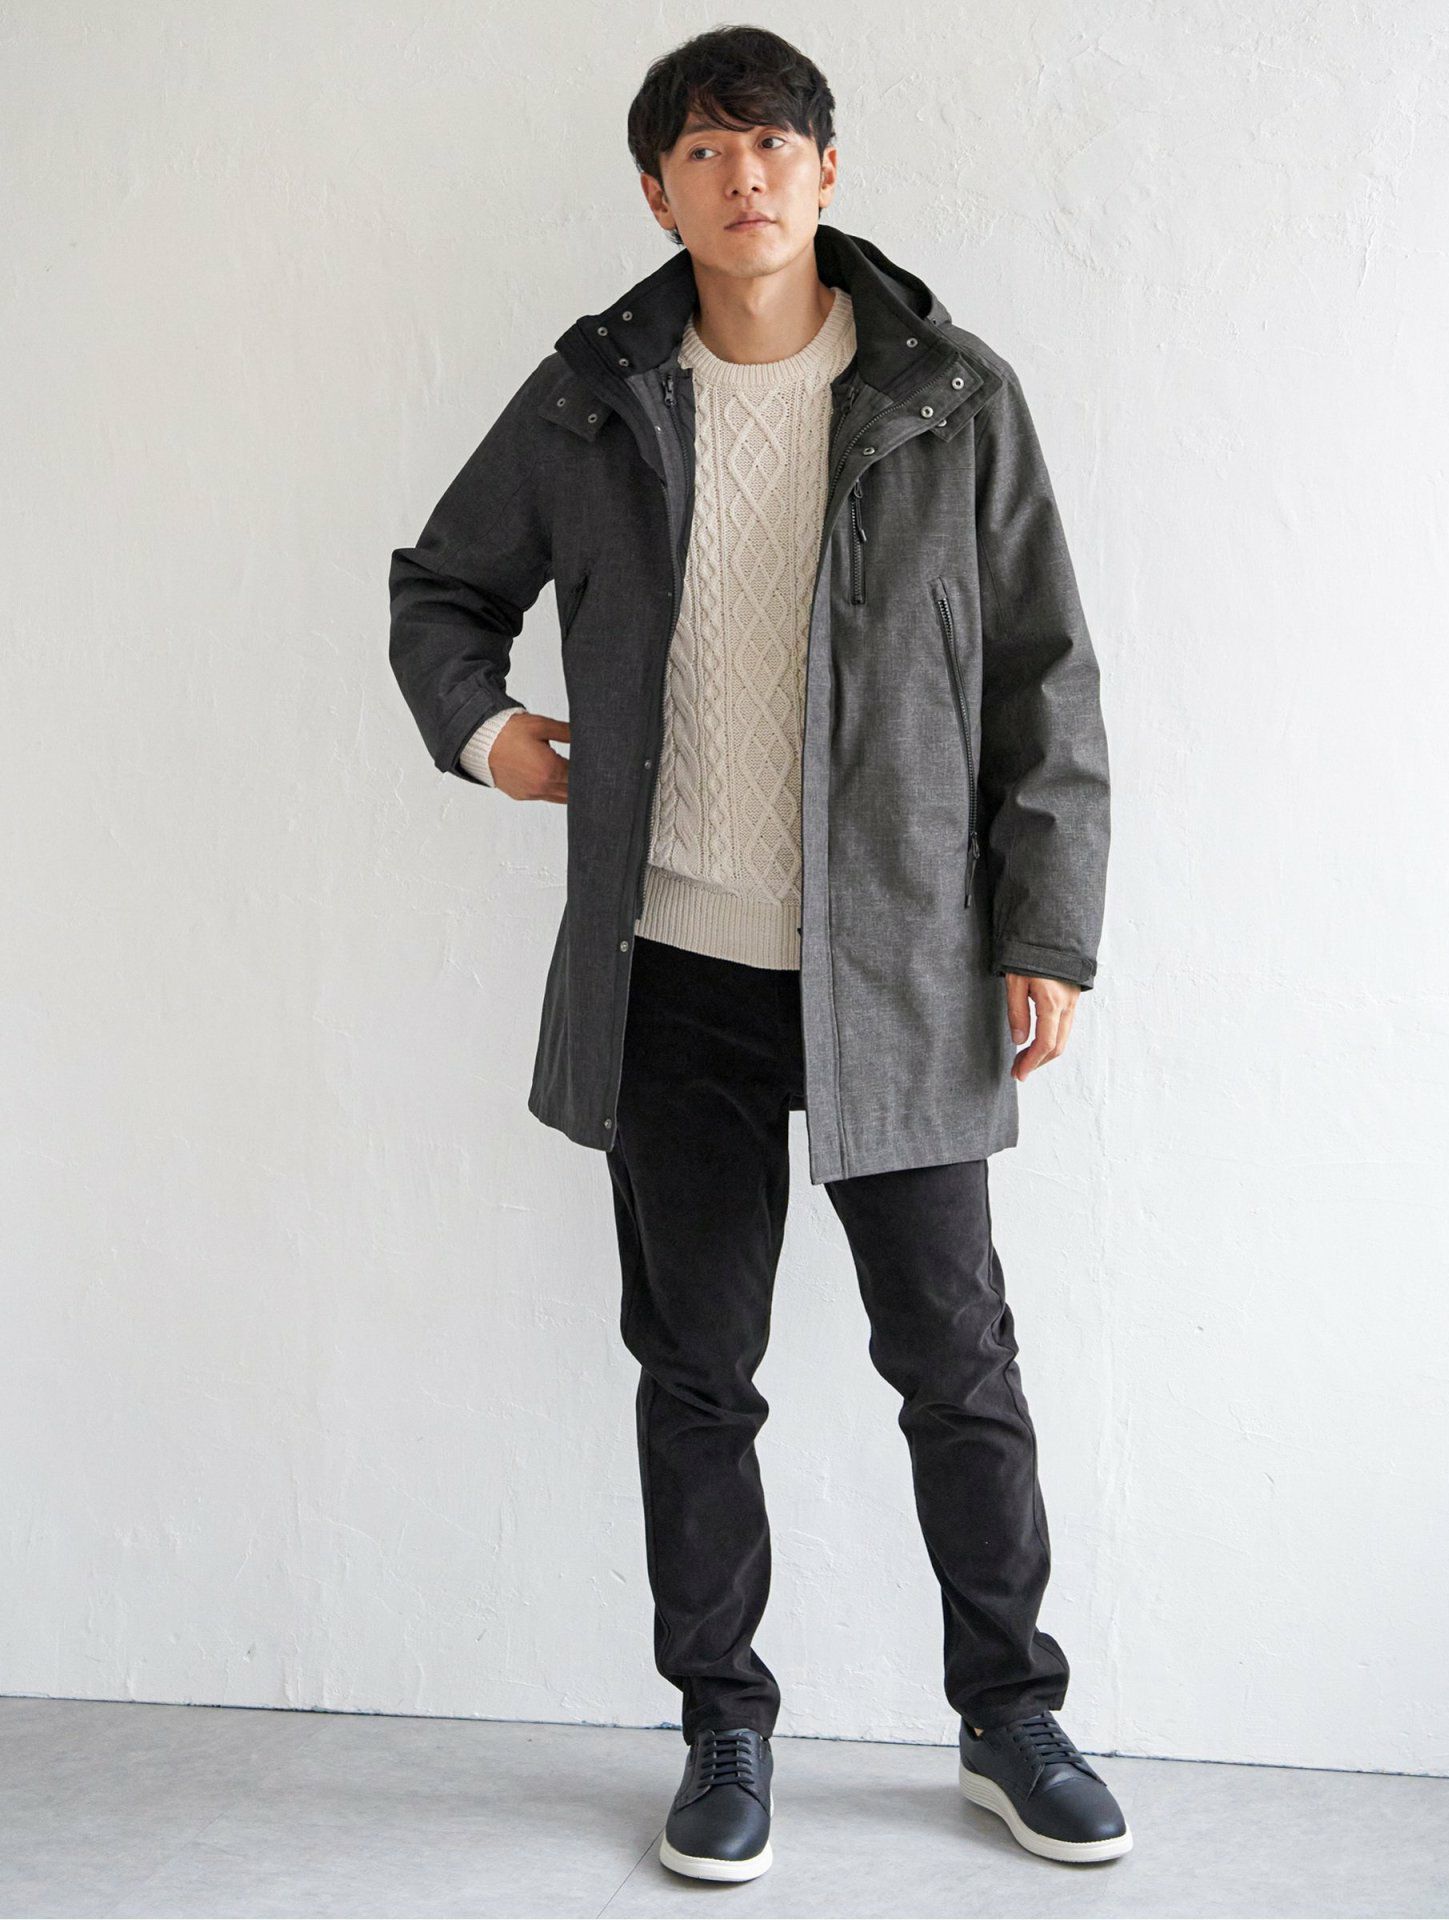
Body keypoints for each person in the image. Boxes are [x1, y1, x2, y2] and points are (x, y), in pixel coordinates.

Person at [388, 22, 1126, 1882]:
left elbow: (1045, 677)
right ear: (660, 193)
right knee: (697, 1373)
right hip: (673, 977)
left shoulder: (951, 396)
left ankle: (1010, 1713)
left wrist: (1046, 926)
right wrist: (488, 733)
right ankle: (723, 1724)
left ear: (827, 171)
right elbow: (442, 588)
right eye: (707, 153)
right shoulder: (593, 399)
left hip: (903, 974)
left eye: (776, 144)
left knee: (958, 1364)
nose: (747, 177)